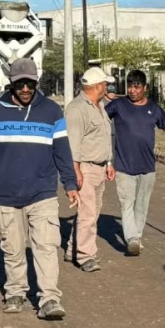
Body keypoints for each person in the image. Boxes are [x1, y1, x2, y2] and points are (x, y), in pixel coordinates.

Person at [0, 58, 79, 319]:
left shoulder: (51, 111)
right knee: (13, 247)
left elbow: (62, 151)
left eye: (30, 83)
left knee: (46, 246)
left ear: (36, 82)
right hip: (6, 192)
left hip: (43, 191)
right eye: (20, 84)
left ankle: (49, 298)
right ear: (12, 84)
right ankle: (15, 292)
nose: (26, 89)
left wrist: (70, 184)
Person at [105, 69, 165, 255]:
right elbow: (99, 118)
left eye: (137, 87)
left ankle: (136, 236)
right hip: (123, 166)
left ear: (145, 88)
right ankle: (132, 239)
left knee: (142, 205)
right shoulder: (118, 105)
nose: (133, 90)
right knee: (127, 203)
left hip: (147, 167)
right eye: (130, 86)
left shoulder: (154, 109)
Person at [64, 68, 116, 272]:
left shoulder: (99, 106)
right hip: (84, 167)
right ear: (97, 86)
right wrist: (75, 172)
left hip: (100, 167)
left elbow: (104, 136)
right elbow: (72, 144)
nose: (107, 87)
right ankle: (86, 256)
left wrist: (109, 163)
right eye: (105, 83)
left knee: (91, 213)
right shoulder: (77, 109)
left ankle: (72, 249)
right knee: (87, 214)